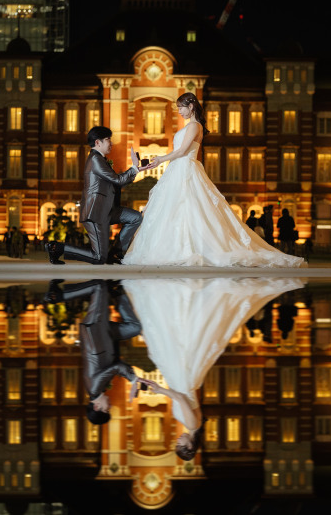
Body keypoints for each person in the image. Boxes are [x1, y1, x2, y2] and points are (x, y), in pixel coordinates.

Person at [125, 277, 304, 460]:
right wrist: (159, 390)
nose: (178, 439)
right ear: (190, 445)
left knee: (172, 337)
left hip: (183, 379)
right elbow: (180, 397)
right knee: (169, 337)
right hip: (182, 380)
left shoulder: (194, 424)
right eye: (180, 444)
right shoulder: (192, 423)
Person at [122, 92, 304, 267]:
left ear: (191, 106)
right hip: (178, 169)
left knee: (189, 208)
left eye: (181, 108)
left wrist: (161, 159)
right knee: (178, 209)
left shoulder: (194, 126)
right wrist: (160, 162)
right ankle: (177, 248)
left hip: (185, 168)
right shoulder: (190, 126)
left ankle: (188, 249)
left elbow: (183, 151)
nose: (179, 111)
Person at [45, 279, 141, 425]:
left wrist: (133, 380)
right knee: (134, 328)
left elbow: (117, 368)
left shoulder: (94, 387)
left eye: (106, 409)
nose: (109, 406)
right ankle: (116, 291)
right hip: (107, 337)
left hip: (95, 332)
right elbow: (117, 366)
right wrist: (135, 380)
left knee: (98, 286)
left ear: (97, 406)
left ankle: (56, 295)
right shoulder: (98, 388)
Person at [46, 126, 141, 265]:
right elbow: (117, 180)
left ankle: (115, 253)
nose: (111, 143)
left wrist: (136, 170)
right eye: (108, 139)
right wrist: (134, 167)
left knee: (135, 218)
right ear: (98, 142)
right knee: (98, 258)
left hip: (106, 209)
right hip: (95, 214)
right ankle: (57, 248)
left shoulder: (101, 160)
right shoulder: (95, 160)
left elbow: (115, 183)